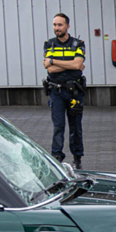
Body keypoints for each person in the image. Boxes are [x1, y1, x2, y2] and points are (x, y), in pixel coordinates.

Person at [43, 13, 86, 169]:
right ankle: (56, 158)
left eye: (60, 25)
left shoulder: (78, 43)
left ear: (68, 26)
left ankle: (77, 159)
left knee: (76, 127)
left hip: (74, 92)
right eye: (54, 25)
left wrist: (54, 61)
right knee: (58, 126)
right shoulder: (49, 44)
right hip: (56, 92)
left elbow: (77, 65)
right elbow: (49, 68)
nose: (56, 28)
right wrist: (71, 63)